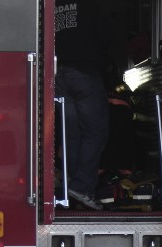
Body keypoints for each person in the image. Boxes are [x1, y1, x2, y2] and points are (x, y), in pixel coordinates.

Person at [55, 0, 110, 210]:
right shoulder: (90, 5)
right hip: (85, 73)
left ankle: (69, 186)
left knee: (70, 135)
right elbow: (105, 38)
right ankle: (82, 187)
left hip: (59, 74)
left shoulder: (55, 5)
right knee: (95, 132)